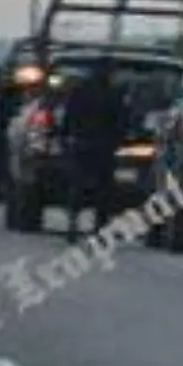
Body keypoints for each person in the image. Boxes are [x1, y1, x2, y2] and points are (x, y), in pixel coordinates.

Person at [59, 61, 128, 242]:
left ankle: (73, 223)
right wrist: (119, 141)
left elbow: (68, 117)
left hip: (81, 144)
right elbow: (121, 121)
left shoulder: (79, 91)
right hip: (105, 147)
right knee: (104, 189)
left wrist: (65, 138)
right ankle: (100, 227)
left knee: (77, 186)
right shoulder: (114, 94)